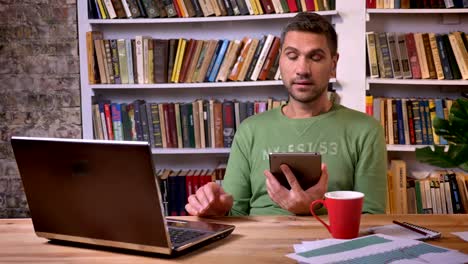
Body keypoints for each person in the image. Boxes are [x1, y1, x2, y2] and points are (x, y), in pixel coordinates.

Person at [185, 12, 387, 217]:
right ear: (280, 61)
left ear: (333, 65)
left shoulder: (366, 130)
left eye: (315, 57)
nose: (302, 69)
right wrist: (216, 209)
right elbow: (235, 212)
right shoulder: (250, 129)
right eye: (292, 56)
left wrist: (312, 208)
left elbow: (372, 217)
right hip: (259, 244)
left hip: (332, 245)